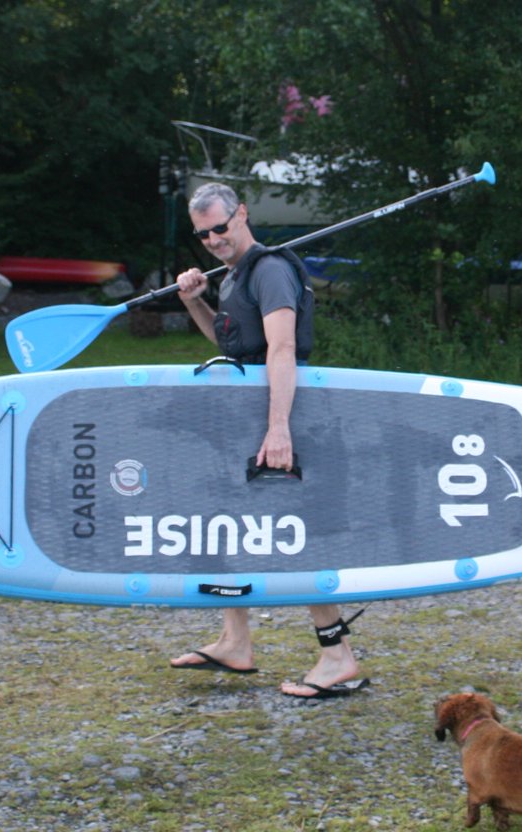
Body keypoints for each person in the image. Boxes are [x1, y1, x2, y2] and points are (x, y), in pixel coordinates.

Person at [166, 182, 368, 699]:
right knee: (226, 525)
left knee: (291, 537)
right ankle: (235, 641)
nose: (212, 239)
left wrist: (279, 429)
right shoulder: (235, 278)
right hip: (247, 421)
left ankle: (338, 657)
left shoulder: (271, 270)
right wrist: (195, 302)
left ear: (242, 214)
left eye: (220, 226)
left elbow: (281, 351)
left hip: (284, 420)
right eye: (203, 233)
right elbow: (232, 342)